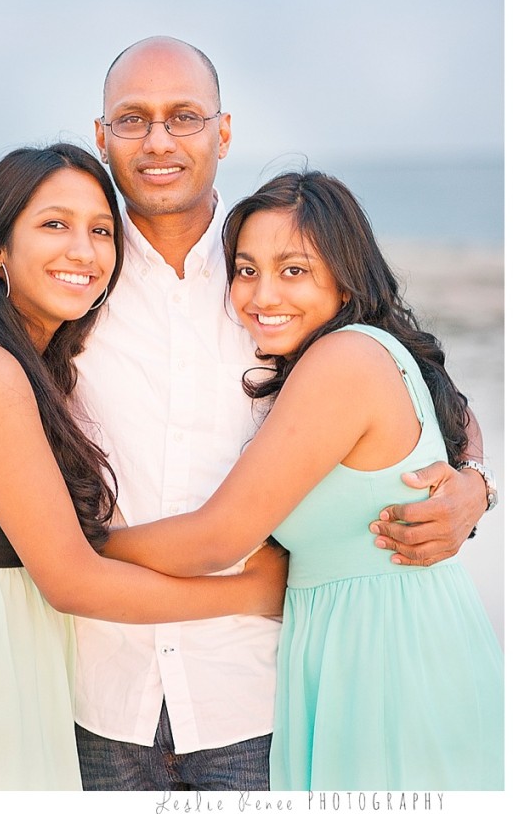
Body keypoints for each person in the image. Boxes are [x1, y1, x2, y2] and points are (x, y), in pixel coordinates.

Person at [0, 37, 492, 791]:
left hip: (253, 695)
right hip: (97, 693)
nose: (159, 140)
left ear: (223, 134)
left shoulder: (271, 272)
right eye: (133, 119)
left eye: (184, 117)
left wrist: (475, 482)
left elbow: (413, 376)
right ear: (103, 137)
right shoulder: (72, 279)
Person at [0, 143, 286, 791]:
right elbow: (71, 580)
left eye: (100, 230)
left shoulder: (10, 346)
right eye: (54, 224)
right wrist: (252, 594)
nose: (82, 250)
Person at [104, 170, 504, 790]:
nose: (263, 295)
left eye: (294, 270)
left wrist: (73, 543)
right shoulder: (356, 353)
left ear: (345, 277)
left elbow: (218, 538)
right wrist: (476, 477)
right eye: (246, 270)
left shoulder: (341, 360)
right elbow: (456, 410)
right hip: (366, 643)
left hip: (384, 657)